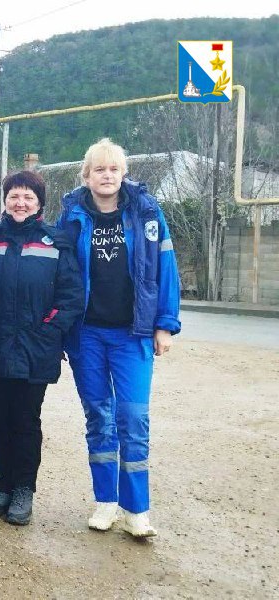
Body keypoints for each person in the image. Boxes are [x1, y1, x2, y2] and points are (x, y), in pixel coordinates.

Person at [56, 138, 181, 538]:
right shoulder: (72, 216)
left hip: (133, 334)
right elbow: (58, 273)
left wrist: (165, 323)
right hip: (87, 335)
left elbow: (165, 268)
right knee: (99, 418)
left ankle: (136, 509)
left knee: (133, 418)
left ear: (124, 174)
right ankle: (106, 502)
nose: (106, 176)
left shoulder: (146, 212)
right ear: (86, 176)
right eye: (99, 169)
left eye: (113, 169)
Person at [0, 171, 83, 526]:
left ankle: (23, 489)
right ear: (5, 200)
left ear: (39, 203)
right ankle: (2, 486)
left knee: (26, 419)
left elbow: (71, 295)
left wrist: (49, 330)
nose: (20, 203)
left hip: (35, 348)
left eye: (28, 197)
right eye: (14, 196)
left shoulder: (56, 244)